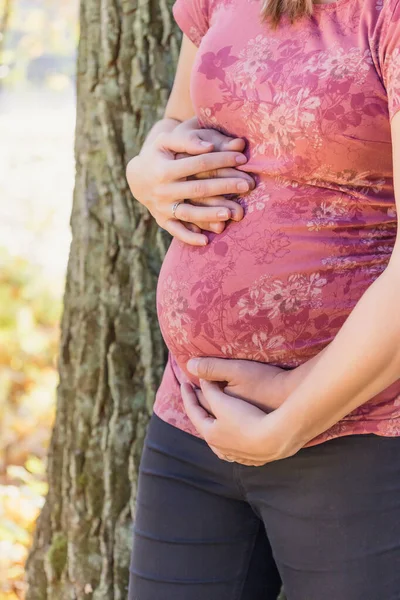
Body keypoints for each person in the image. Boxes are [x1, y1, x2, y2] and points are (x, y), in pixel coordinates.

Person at [126, 0, 400, 597]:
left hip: (359, 436)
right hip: (189, 419)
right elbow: (178, 123)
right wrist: (146, 173)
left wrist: (291, 419)